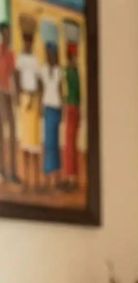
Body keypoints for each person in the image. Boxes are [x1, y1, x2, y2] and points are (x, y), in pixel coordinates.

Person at [13, 13, 40, 192]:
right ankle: (25, 179)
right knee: (25, 142)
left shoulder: (35, 60)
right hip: (24, 100)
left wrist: (34, 96)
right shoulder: (21, 59)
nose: (28, 44)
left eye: (30, 41)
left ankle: (35, 180)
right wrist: (18, 96)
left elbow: (38, 81)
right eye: (26, 41)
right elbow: (16, 78)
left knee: (34, 143)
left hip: (34, 100)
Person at [39, 41, 60, 189]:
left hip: (56, 108)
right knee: (48, 143)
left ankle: (55, 178)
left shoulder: (59, 71)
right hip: (47, 107)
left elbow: (60, 90)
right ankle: (47, 177)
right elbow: (41, 88)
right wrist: (41, 106)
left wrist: (62, 110)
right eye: (48, 53)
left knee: (55, 143)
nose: (49, 55)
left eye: (51, 53)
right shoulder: (44, 69)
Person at [0, 22, 17, 184]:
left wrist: (14, 96)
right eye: (6, 33)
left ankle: (12, 172)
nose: (9, 36)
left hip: (7, 95)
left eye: (10, 33)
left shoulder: (11, 54)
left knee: (12, 132)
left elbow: (12, 76)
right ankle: (2, 171)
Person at [62, 41, 80, 189]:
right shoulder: (70, 71)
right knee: (69, 145)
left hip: (73, 109)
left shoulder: (72, 72)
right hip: (71, 109)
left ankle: (72, 179)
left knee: (71, 145)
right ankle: (69, 177)